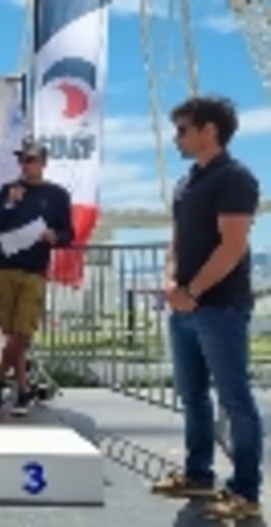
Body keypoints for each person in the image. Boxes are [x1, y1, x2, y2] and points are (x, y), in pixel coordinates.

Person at [151, 96, 263, 521]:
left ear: (209, 130)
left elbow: (232, 247)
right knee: (193, 395)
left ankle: (245, 491)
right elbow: (177, 241)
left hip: (220, 308)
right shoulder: (186, 183)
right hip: (185, 308)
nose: (176, 138)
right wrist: (171, 282)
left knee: (234, 400)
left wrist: (192, 292)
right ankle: (198, 474)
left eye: (183, 129)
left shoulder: (235, 178)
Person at [0, 137, 74, 416]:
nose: (26, 165)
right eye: (23, 160)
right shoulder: (9, 190)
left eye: (32, 160)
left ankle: (1, 376)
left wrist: (55, 236)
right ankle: (20, 389)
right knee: (12, 332)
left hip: (34, 269)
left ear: (43, 163)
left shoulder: (58, 195)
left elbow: (68, 232)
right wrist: (9, 204)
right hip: (5, 267)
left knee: (23, 332)